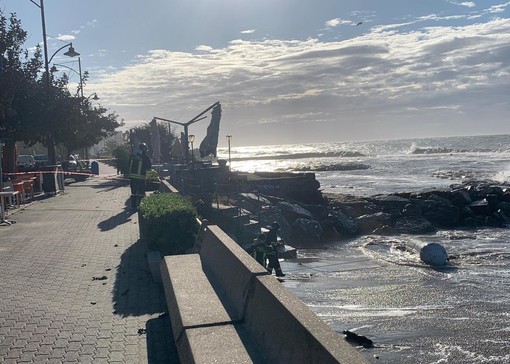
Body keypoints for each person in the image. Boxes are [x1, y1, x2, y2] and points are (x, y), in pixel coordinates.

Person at [128, 143, 152, 210]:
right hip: (141, 178)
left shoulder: (132, 156)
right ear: (145, 150)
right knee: (141, 193)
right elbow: (149, 168)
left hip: (132, 178)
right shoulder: (145, 158)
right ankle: (140, 206)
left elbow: (129, 164)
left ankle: (133, 206)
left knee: (133, 193)